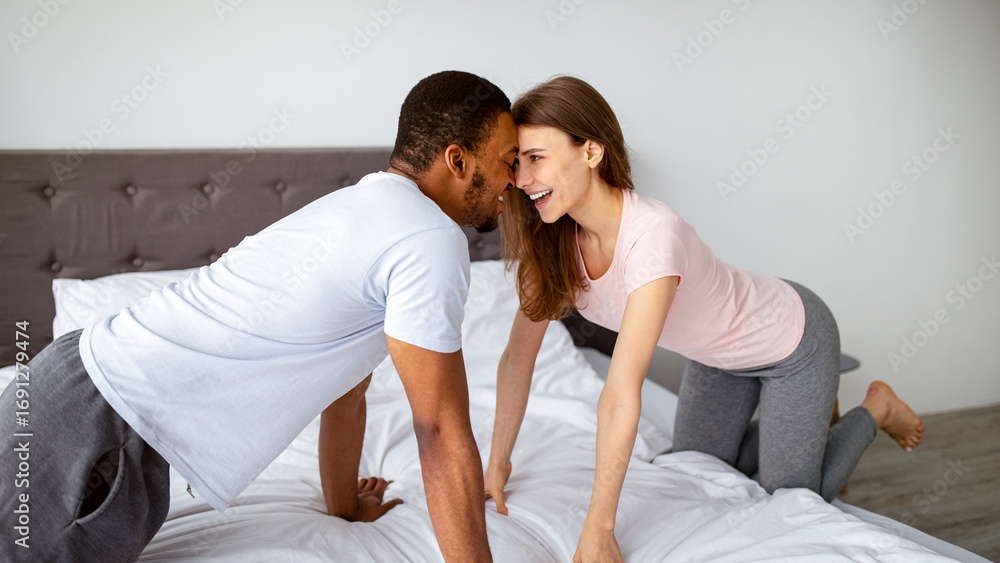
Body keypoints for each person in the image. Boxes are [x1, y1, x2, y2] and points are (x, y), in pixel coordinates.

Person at [0, 70, 517, 563]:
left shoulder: (365, 208)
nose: (514, 181)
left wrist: (345, 508)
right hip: (99, 431)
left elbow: (347, 390)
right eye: (509, 161)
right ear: (458, 160)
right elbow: (440, 430)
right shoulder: (430, 238)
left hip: (82, 399)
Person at [483, 76, 925, 563]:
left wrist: (599, 529)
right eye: (516, 163)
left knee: (792, 495)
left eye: (536, 158)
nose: (521, 179)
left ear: (590, 151)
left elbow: (621, 393)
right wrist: (497, 463)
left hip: (790, 340)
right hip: (716, 358)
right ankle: (809, 420)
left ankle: (875, 409)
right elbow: (517, 359)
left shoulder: (652, 238)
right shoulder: (551, 247)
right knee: (702, 467)